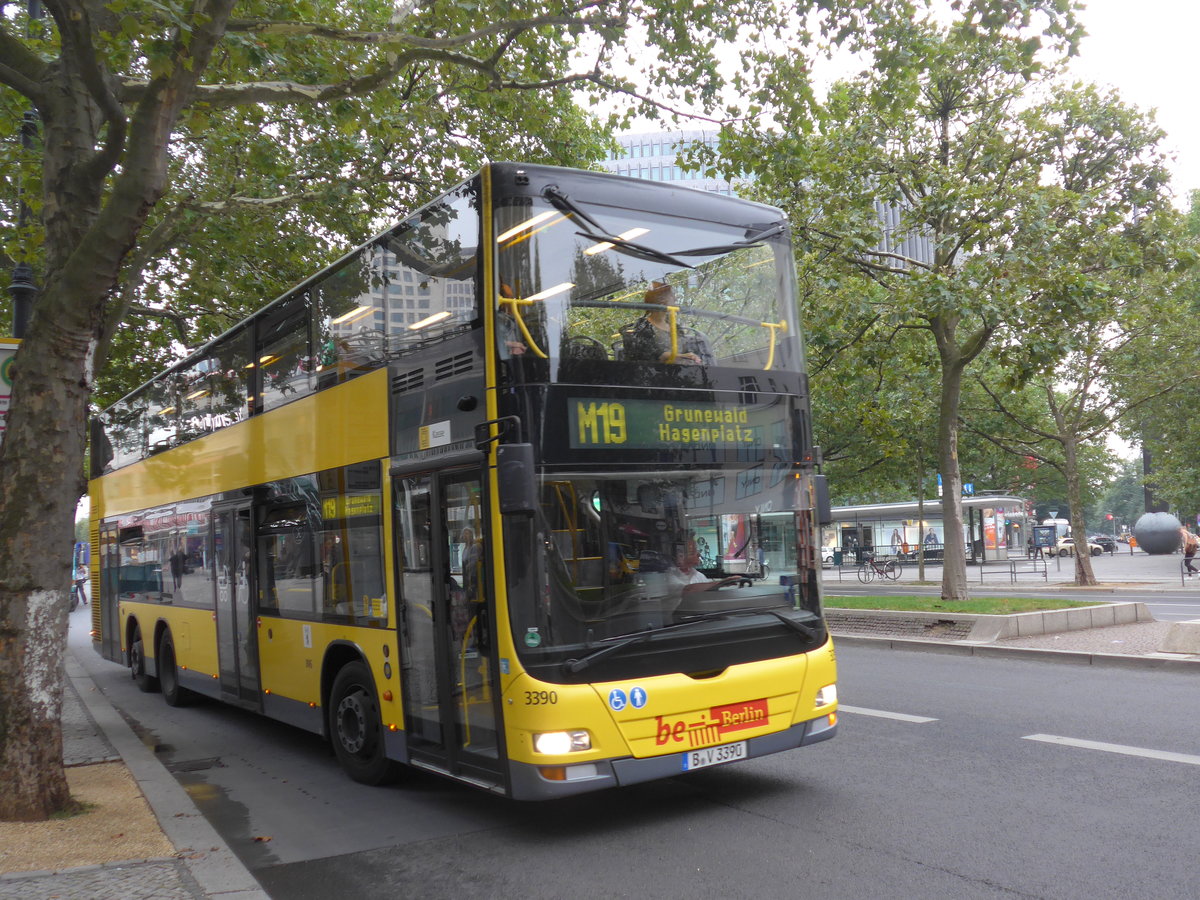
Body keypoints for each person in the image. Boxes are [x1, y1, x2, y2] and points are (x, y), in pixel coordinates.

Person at [622, 281, 712, 366]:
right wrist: (677, 356)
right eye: (672, 296)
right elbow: (647, 357)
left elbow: (685, 351)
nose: (676, 299)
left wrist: (693, 357)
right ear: (662, 302)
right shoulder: (642, 328)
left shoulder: (676, 327)